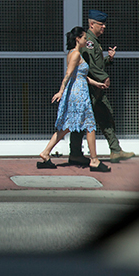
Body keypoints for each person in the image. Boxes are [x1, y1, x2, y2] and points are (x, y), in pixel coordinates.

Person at [38, 26, 110, 172]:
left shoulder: (73, 53)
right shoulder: (76, 54)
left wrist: (97, 83)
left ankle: (45, 153)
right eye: (84, 37)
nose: (86, 40)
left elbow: (81, 75)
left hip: (77, 91)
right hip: (78, 95)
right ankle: (94, 161)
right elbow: (69, 74)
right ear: (78, 39)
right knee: (89, 125)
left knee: (68, 126)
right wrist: (60, 91)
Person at [68, 10, 135, 166]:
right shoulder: (88, 42)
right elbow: (89, 66)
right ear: (92, 24)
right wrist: (104, 76)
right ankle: (75, 153)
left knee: (106, 116)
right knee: (80, 121)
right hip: (90, 88)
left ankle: (115, 150)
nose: (104, 26)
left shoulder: (94, 41)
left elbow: (96, 64)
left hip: (97, 89)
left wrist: (108, 59)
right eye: (101, 24)